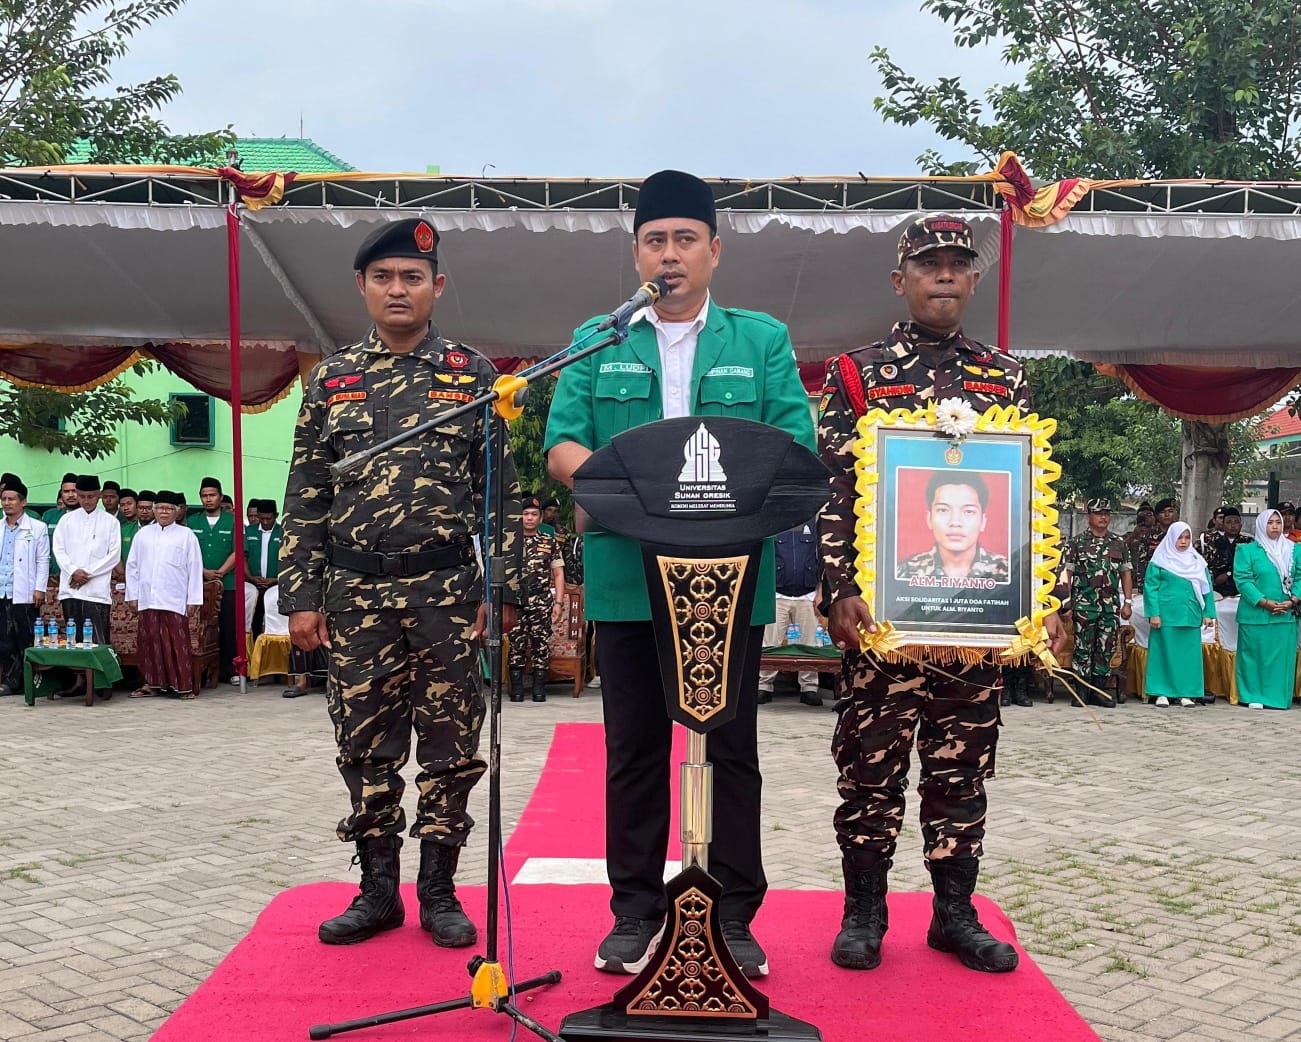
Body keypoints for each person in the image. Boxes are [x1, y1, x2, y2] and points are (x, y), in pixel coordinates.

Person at [545, 169, 816, 979]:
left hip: (728, 581)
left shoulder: (759, 340)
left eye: (684, 240)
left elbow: (791, 445)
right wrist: (631, 494)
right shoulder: (602, 337)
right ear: (636, 253)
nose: (670, 255)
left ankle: (732, 914)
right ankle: (634, 913)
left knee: (729, 747)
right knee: (631, 749)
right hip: (627, 574)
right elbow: (562, 444)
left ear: (713, 252)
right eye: (655, 241)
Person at [818, 214, 1064, 975]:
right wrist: (837, 591)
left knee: (961, 769)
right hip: (886, 620)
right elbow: (831, 486)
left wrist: (1040, 596)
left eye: (958, 263)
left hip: (973, 620)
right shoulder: (856, 372)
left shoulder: (1004, 376)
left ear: (975, 278)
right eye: (929, 264)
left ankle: (953, 914)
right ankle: (863, 912)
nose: (945, 275)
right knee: (870, 767)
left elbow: (1023, 500)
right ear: (901, 280)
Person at [280, 217, 521, 950]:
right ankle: (377, 889)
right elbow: (306, 489)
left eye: (411, 277)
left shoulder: (472, 375)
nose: (397, 289)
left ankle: (439, 890)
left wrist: (501, 588)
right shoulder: (332, 379)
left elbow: (501, 492)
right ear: (361, 287)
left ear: (435, 286)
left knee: (451, 744)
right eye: (383, 277)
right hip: (355, 598)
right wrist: (299, 594)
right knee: (365, 744)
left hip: (446, 593)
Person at [125, 491, 204, 699]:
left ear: (177, 512)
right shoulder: (142, 535)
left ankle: (182, 686)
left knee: (176, 643)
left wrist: (194, 599)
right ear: (154, 510)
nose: (164, 512)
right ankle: (152, 684)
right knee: (149, 642)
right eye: (160, 508)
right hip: (147, 597)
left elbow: (195, 567)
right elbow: (132, 566)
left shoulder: (186, 535)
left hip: (174, 598)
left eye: (169, 509)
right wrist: (132, 595)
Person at [1057, 498, 1133, 708]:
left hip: (1110, 606)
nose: (1103, 517)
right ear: (1089, 515)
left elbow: (1126, 573)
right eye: (1099, 513)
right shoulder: (1076, 543)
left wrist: (1127, 602)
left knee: (1105, 648)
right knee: (1083, 648)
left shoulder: (1119, 543)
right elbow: (1067, 574)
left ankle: (1098, 692)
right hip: (1083, 605)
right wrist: (1066, 603)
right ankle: (1081, 691)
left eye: (1107, 513)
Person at [52, 476, 120, 696]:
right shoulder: (67, 520)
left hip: (96, 590)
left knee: (98, 638)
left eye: (91, 496)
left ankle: (103, 682)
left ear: (99, 495)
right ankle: (80, 682)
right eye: (82, 496)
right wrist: (73, 571)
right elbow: (59, 550)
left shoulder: (111, 522)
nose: (86, 500)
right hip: (71, 588)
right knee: (76, 638)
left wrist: (87, 574)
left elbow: (113, 555)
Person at [1231, 509, 1300, 711]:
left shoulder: (1295, 549)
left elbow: (1300, 578)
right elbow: (1243, 580)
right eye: (1270, 523)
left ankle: (1278, 697)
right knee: (1254, 656)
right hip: (1256, 613)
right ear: (1261, 525)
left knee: (1281, 658)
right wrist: (1264, 602)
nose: (1275, 526)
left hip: (1285, 614)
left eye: (1278, 522)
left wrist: (1292, 600)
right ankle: (1252, 695)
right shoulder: (1247, 550)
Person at [1143, 522, 1215, 708]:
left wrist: (1208, 613)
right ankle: (1162, 693)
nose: (1183, 542)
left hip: (1190, 614)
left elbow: (1207, 589)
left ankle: (1186, 693)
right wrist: (1154, 613)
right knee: (1163, 653)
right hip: (1165, 616)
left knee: (1188, 656)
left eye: (1187, 537)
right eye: (1179, 538)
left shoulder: (1198, 562)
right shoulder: (1159, 561)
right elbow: (1151, 588)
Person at [897, 472, 1010, 581]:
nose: (955, 522)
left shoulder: (1006, 571)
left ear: (983, 522)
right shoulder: (906, 571)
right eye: (943, 510)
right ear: (929, 519)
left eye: (968, 511)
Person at [758, 522, 823, 707]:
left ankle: (809, 688)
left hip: (808, 595)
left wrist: (820, 592)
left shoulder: (814, 524)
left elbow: (823, 561)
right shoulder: (775, 524)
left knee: (809, 645)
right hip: (777, 594)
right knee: (770, 643)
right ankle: (764, 686)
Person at [508, 495, 564, 704]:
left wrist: (558, 602)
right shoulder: (510, 542)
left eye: (534, 514)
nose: (529, 518)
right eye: (525, 514)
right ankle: (517, 690)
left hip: (541, 600)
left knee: (541, 643)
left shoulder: (549, 542)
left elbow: (558, 574)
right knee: (516, 644)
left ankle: (539, 689)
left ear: (540, 518)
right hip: (515, 600)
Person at [0, 478, 49, 697]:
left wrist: (40, 588)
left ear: (23, 502)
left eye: (11, 499)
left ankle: (31, 681)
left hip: (25, 591)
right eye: (4, 499)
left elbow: (43, 560)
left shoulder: (37, 528)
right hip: (3, 589)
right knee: (4, 640)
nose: (7, 503)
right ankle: (10, 681)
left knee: (26, 638)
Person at [193, 477, 238, 682]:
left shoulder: (233, 521)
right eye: (204, 496)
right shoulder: (192, 522)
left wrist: (219, 572)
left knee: (228, 626)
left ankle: (230, 669)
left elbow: (238, 552)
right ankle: (202, 670)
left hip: (227, 583)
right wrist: (203, 572)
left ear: (220, 496)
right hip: (198, 584)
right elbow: (188, 553)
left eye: (212, 495)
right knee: (201, 626)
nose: (208, 499)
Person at [243, 499, 282, 636]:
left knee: (275, 622)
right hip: (254, 585)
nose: (265, 522)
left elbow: (289, 560)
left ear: (276, 515)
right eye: (262, 518)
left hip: (276, 586)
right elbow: (243, 558)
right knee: (254, 620)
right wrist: (250, 577)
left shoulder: (283, 532)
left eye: (268, 518)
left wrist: (276, 579)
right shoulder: (248, 532)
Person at [1204, 506, 1253, 597]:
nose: (1233, 526)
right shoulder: (1211, 542)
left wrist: (1229, 573)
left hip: (1243, 590)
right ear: (1223, 525)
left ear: (1241, 525)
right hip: (1218, 591)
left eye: (1236, 522)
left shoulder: (1249, 542)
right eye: (1229, 522)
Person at [42, 473, 78, 579]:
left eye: (74, 491)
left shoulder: (91, 518)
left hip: (81, 578)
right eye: (66, 491)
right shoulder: (51, 516)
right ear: (61, 494)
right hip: (53, 576)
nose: (70, 495)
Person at [1125, 501, 1157, 591]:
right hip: (1134, 581)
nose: (1146, 518)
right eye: (1143, 516)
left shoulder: (1159, 535)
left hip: (1153, 579)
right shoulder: (1132, 535)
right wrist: (1135, 534)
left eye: (1149, 515)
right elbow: (1120, 548)